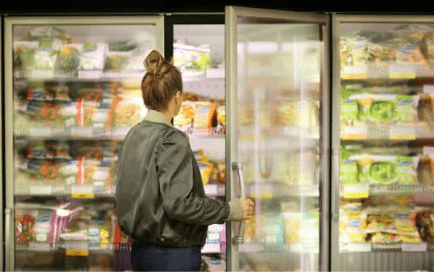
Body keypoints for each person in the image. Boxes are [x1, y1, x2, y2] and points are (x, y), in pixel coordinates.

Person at [115, 50, 254, 272]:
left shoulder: (134, 134)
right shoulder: (171, 139)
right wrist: (229, 210)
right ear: (178, 97)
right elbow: (179, 204)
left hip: (141, 252)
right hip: (172, 256)